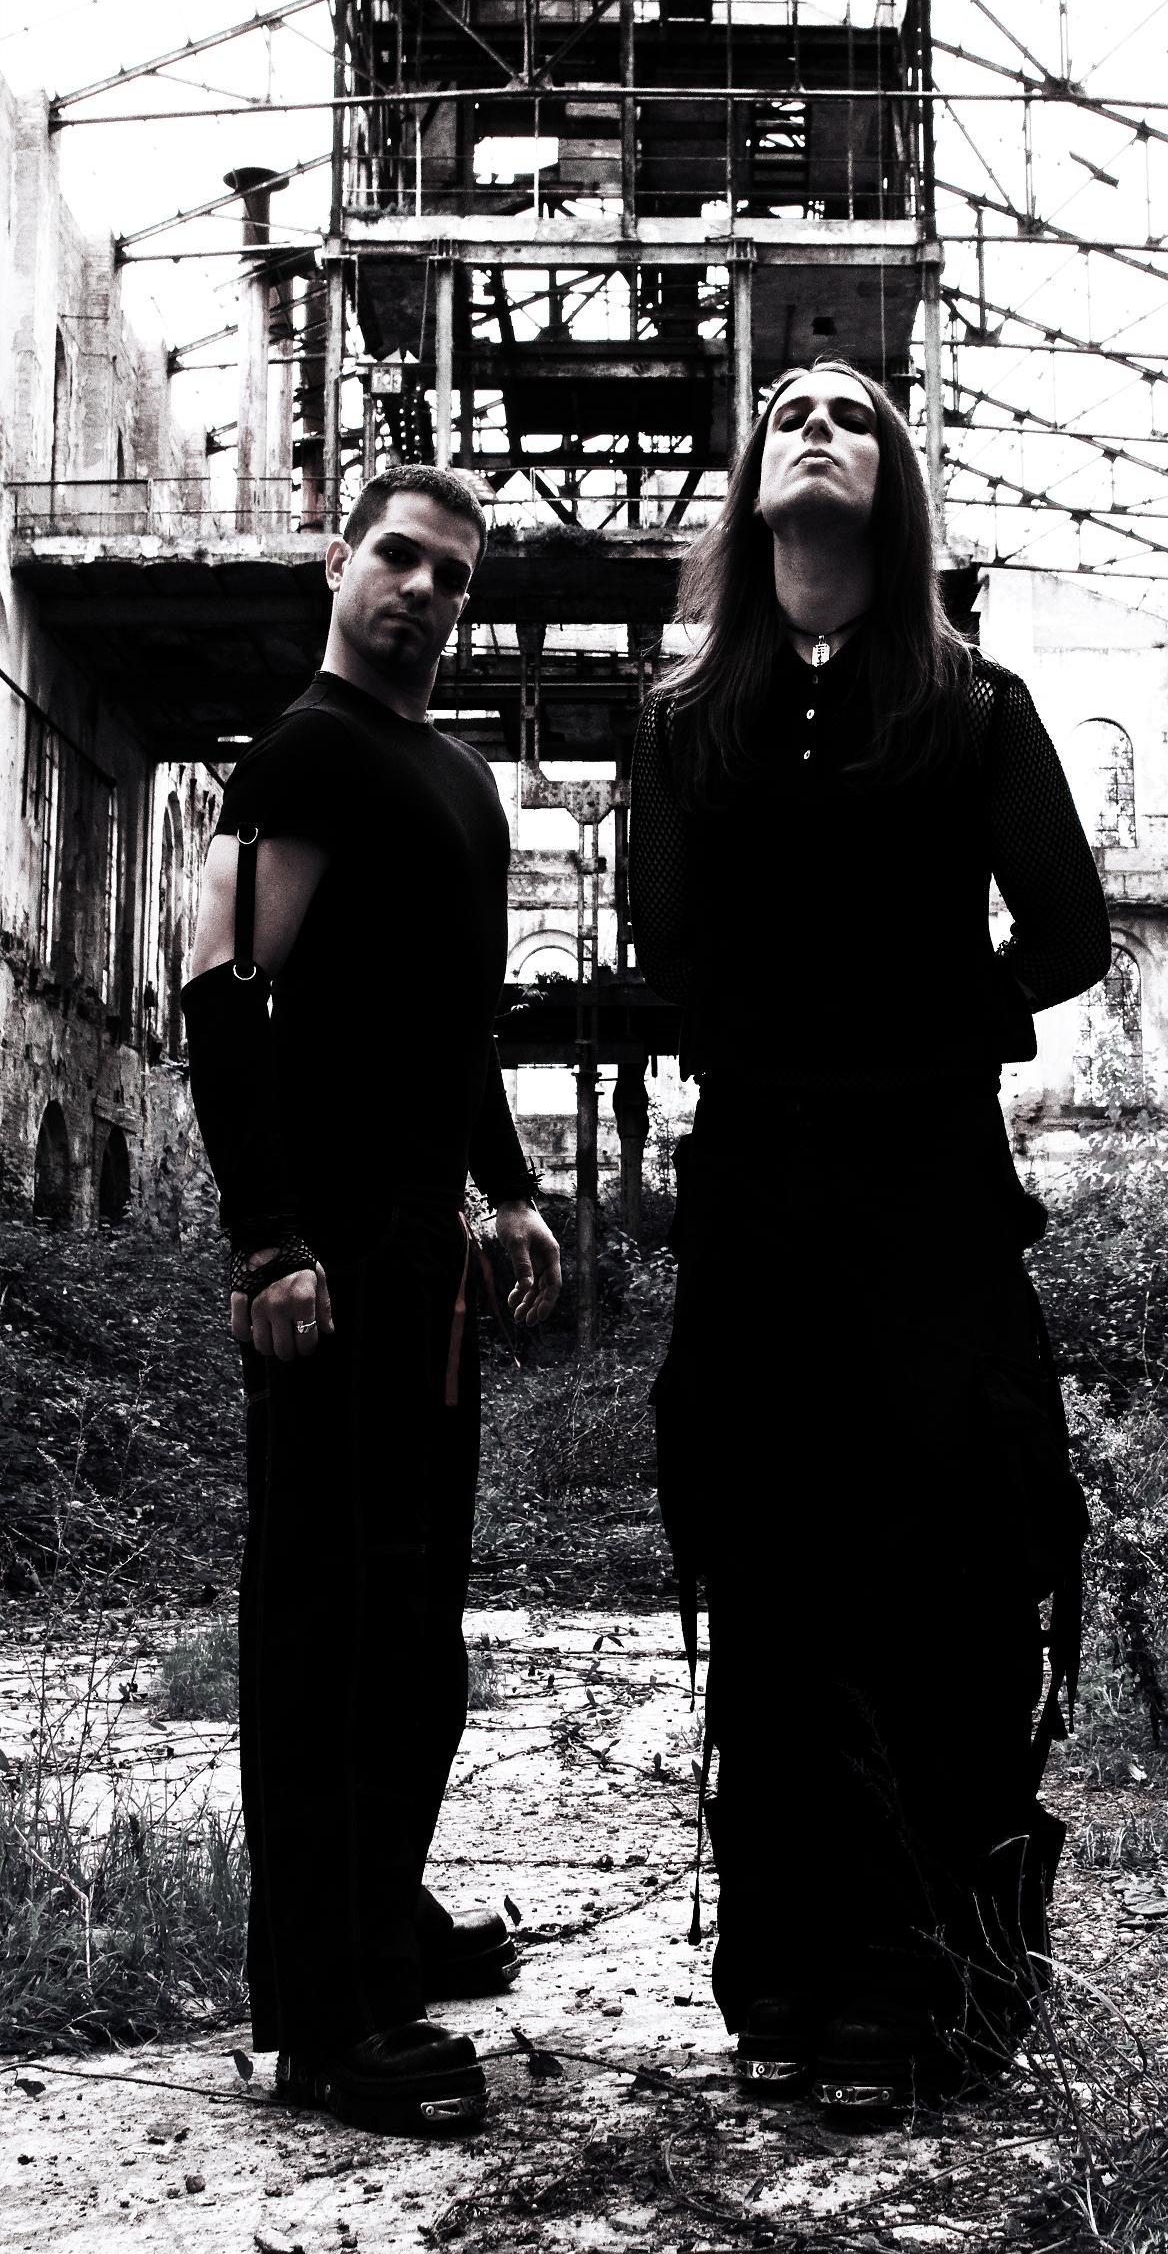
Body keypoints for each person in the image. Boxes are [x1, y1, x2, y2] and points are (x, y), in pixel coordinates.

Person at [630, 361, 1110, 2113]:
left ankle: (915, 1978)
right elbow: (671, 947)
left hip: (928, 1210)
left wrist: (929, 1028)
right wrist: (787, 1047)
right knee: (770, 1574)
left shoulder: (974, 705)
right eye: (789, 411)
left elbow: (1068, 932)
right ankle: (784, 1966)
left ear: (895, 488)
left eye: (853, 412)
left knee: (943, 1579)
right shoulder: (684, 724)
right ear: (752, 483)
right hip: (758, 1204)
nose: (817, 423)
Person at [183, 464, 562, 2136]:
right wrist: (266, 1242)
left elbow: (447, 1026)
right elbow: (225, 995)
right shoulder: (305, 753)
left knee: (412, 1620)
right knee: (323, 1623)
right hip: (327, 1262)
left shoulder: (459, 784)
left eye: (453, 574)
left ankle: (381, 1913)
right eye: (397, 556)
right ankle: (325, 2016)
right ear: (338, 565)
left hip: (423, 1263)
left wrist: (513, 1189)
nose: (422, 589)